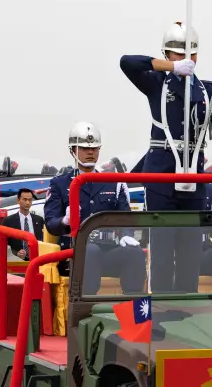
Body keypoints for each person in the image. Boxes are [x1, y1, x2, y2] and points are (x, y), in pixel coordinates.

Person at [120, 22, 212, 293]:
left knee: (190, 254)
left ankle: (186, 312)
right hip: (161, 175)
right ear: (166, 54)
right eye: (177, 53)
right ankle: (161, 313)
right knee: (162, 254)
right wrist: (170, 68)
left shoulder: (210, 91)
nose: (186, 58)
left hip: (193, 178)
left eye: (191, 53)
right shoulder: (156, 83)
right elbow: (127, 62)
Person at [43, 121, 145, 295]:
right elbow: (51, 223)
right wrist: (65, 221)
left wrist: (127, 235)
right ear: (73, 151)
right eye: (84, 148)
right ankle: (85, 311)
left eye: (94, 148)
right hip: (75, 252)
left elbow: (126, 217)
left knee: (135, 254)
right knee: (90, 251)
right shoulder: (60, 184)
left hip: (107, 249)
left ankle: (133, 310)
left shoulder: (113, 183)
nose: (90, 152)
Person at [3, 188, 44, 259]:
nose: (28, 203)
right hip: (16, 261)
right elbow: (4, 244)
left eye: (30, 200)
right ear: (18, 200)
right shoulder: (8, 221)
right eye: (25, 199)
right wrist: (16, 253)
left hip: (36, 259)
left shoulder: (39, 220)